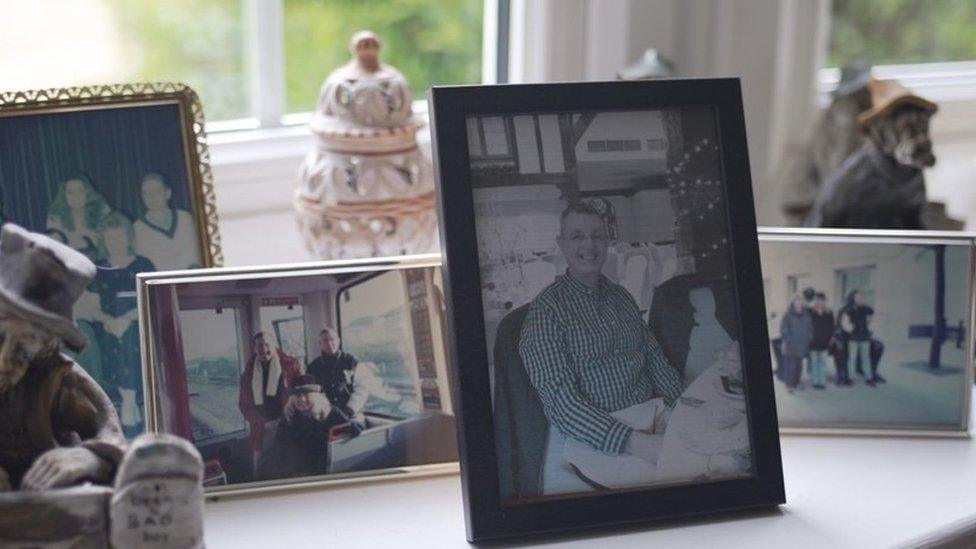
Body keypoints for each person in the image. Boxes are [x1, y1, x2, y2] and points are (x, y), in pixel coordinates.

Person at [519, 202, 683, 492]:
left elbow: (653, 358)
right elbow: (561, 402)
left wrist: (683, 407)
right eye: (577, 236)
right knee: (680, 484)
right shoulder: (547, 311)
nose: (589, 245)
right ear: (561, 244)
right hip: (596, 436)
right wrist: (637, 443)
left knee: (724, 453)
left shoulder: (621, 297)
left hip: (652, 415)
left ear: (608, 241)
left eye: (597, 235)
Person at [88, 212, 156, 437]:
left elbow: (153, 299)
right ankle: (131, 410)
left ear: (128, 237)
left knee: (130, 335)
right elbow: (92, 308)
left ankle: (128, 406)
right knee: (119, 337)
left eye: (119, 237)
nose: (115, 242)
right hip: (108, 328)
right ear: (103, 240)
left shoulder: (144, 263)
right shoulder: (98, 269)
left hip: (139, 325)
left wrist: (127, 319)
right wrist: (109, 320)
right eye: (110, 238)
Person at [238, 331, 301, 475]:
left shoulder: (291, 365)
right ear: (254, 348)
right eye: (259, 345)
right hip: (262, 427)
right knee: (260, 469)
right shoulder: (247, 375)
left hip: (288, 422)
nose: (263, 349)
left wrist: (289, 416)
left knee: (290, 465)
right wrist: (263, 423)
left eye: (267, 344)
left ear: (274, 346)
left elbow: (300, 393)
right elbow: (244, 405)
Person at [133, 172, 202, 271]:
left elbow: (198, 253)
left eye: (157, 191)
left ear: (168, 193)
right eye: (147, 193)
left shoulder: (185, 219)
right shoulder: (137, 229)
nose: (152, 197)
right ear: (142, 197)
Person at [306, 327, 369, 432]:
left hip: (352, 415)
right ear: (320, 344)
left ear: (338, 341)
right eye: (325, 340)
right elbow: (311, 394)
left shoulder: (352, 362)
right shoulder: (313, 367)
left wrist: (349, 411)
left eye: (332, 339)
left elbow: (362, 390)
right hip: (325, 416)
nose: (330, 343)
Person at [46, 174, 113, 259]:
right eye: (70, 192)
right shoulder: (55, 215)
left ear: (88, 193)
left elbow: (112, 241)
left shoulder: (101, 210)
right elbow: (54, 247)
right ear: (64, 195)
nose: (76, 197)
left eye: (81, 191)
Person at [839, 290, 877, 385]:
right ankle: (851, 378)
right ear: (854, 299)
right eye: (858, 297)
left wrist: (870, 329)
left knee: (866, 358)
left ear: (864, 298)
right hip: (853, 338)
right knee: (852, 359)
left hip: (865, 338)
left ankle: (869, 378)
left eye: (861, 297)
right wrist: (851, 329)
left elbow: (872, 321)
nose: (860, 299)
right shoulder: (849, 310)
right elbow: (844, 323)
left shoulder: (868, 309)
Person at [779, 295, 813, 393]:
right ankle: (789, 385)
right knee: (790, 366)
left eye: (800, 303)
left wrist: (809, 337)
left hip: (802, 346)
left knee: (799, 366)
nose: (799, 305)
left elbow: (810, 328)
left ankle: (797, 383)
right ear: (793, 304)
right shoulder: (788, 315)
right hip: (791, 346)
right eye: (797, 303)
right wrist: (789, 340)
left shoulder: (806, 315)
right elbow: (783, 329)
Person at [808, 292, 834, 390]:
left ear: (824, 301)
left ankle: (822, 382)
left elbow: (832, 327)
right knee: (814, 363)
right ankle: (815, 382)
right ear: (815, 301)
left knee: (823, 362)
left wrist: (831, 338)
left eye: (822, 300)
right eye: (817, 300)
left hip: (825, 342)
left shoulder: (829, 312)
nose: (820, 302)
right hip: (813, 342)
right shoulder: (810, 312)